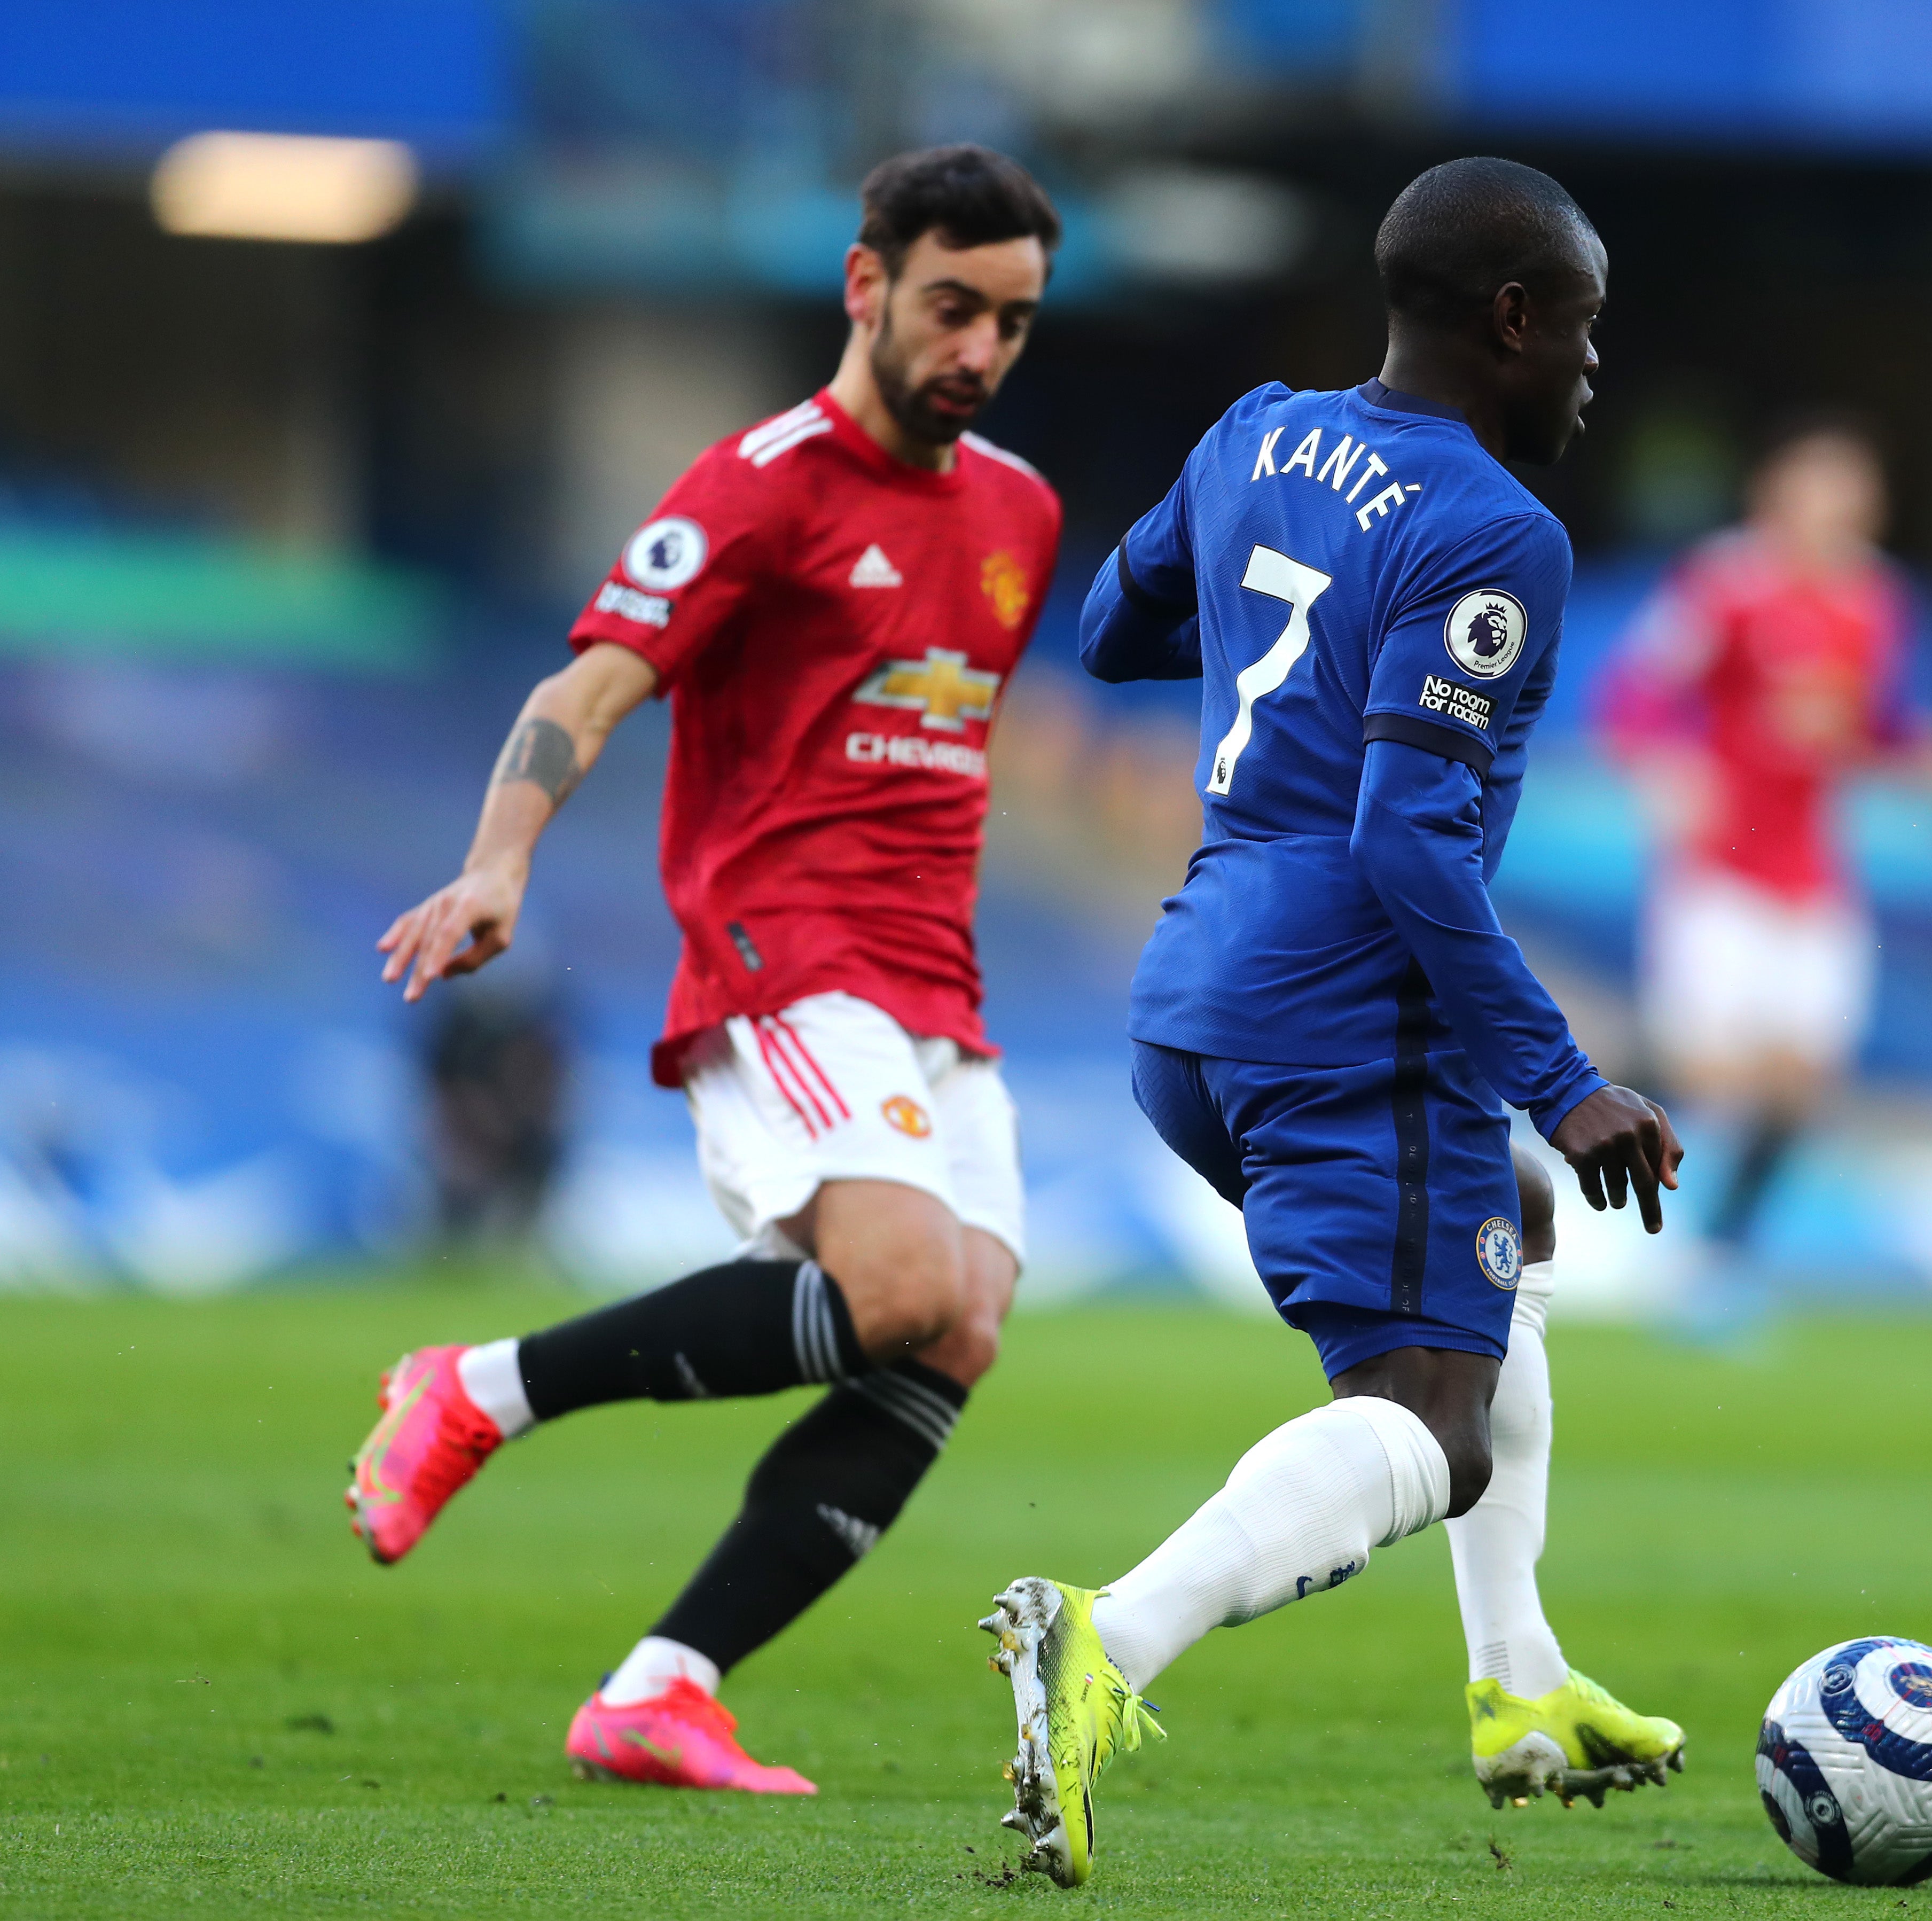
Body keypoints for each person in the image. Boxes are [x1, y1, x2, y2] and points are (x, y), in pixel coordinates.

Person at [983, 157, 1685, 1888]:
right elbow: (1406, 837)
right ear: (1512, 319)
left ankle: (1522, 1684)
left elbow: (1111, 627)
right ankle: (1107, 1637)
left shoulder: (1256, 434)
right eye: (1584, 324)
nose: (1593, 363)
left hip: (1195, 994)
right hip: (1346, 1005)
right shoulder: (1500, 531)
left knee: (1507, 1225)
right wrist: (1565, 1079)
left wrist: (1287, 637)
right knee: (1430, 1428)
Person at [345, 145, 1064, 1794]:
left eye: (1014, 322)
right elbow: (590, 685)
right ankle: (478, 1390)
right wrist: (501, 858)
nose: (980, 349)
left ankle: (663, 1686)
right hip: (786, 947)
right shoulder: (759, 485)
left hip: (936, 980)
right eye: (952, 307)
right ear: (866, 285)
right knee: (901, 1288)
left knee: (958, 1329)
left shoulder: (1020, 512)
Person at [1600, 419, 1932, 1262]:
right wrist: (1665, 767)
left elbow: (1868, 725)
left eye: (1852, 499)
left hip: (1811, 871)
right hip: (1722, 865)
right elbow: (1636, 691)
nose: (1835, 514)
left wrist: (1923, 751)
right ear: (1776, 498)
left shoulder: (1876, 601)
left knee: (1806, 1078)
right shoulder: (1726, 584)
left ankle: (1724, 1249)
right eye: (1818, 494)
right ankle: (1573, 1113)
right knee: (1704, 1069)